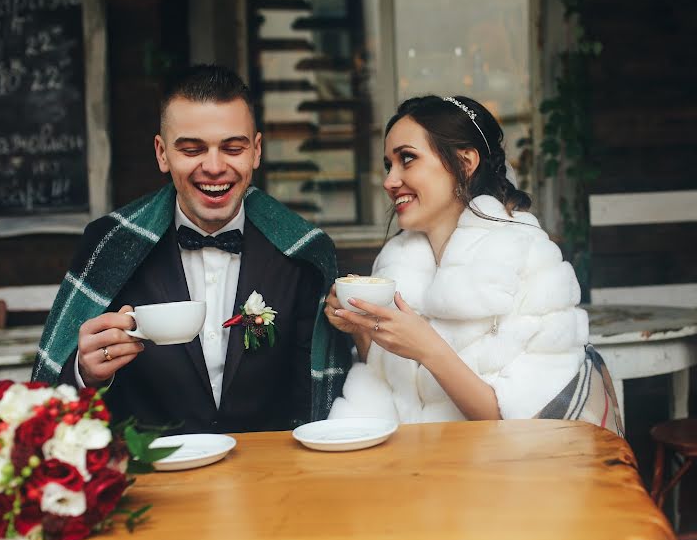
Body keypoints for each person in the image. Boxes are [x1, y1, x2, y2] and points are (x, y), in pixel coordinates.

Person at [33, 64, 351, 433]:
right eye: (191, 149)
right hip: (152, 478)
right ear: (162, 154)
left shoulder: (302, 253)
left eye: (232, 148)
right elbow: (51, 401)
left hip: (268, 478)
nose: (214, 167)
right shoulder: (110, 244)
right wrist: (85, 373)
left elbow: (314, 401)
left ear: (257, 151)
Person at [325, 94, 621, 433]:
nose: (390, 181)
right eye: (388, 165)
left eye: (408, 159)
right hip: (414, 469)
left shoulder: (528, 258)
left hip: (504, 474)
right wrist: (363, 330)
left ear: (465, 163)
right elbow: (386, 388)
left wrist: (429, 349)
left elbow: (524, 425)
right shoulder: (396, 263)